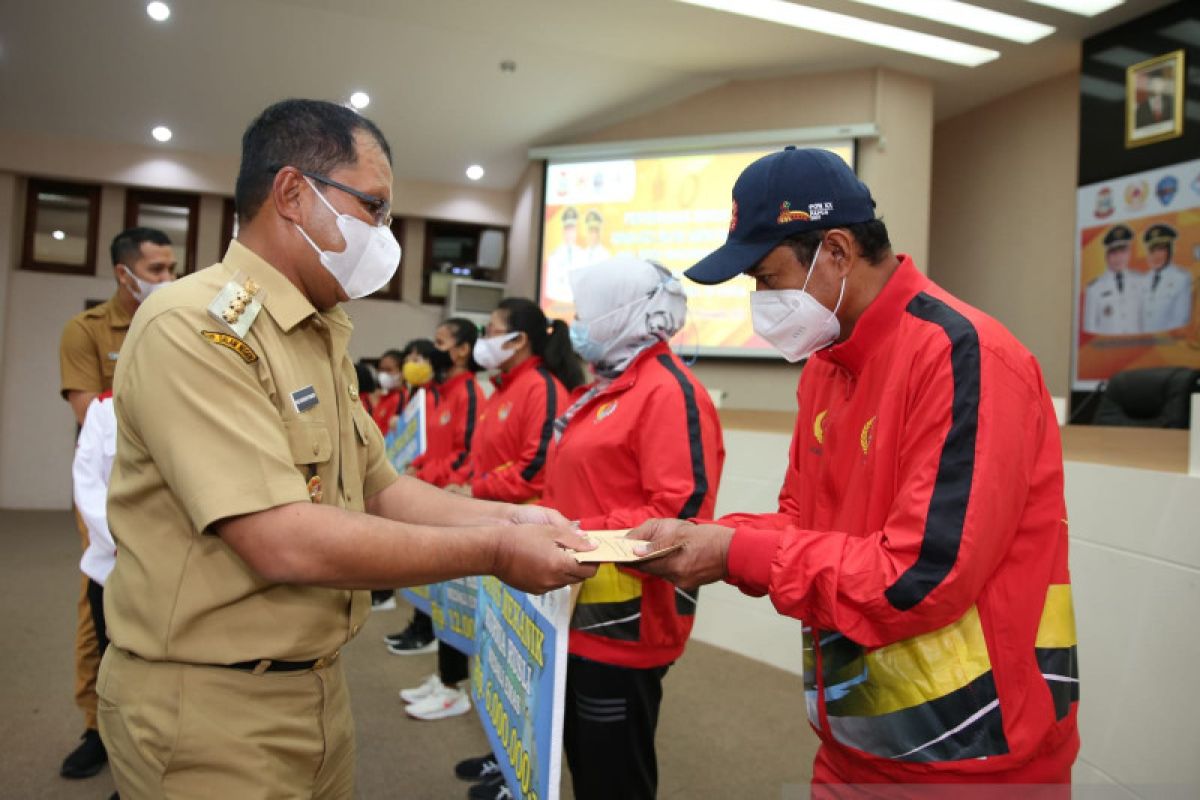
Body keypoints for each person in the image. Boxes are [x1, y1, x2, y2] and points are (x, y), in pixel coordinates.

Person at [96, 98, 596, 798]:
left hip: (316, 688)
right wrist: (495, 554)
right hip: (207, 706)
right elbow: (282, 540)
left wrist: (508, 520)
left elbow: (383, 488)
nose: (384, 237)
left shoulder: (316, 330)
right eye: (375, 209)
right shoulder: (197, 327)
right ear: (294, 194)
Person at [629, 147, 1079, 792]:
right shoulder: (828, 364)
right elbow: (799, 521)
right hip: (856, 738)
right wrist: (701, 537)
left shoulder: (961, 355)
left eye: (766, 277)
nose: (760, 301)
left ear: (836, 250)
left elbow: (920, 577)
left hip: (971, 753)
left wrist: (732, 554)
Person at [550, 255, 725, 800]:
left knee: (612, 777)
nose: (579, 321)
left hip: (624, 620)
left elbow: (679, 518)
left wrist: (568, 532)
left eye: (588, 311)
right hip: (574, 603)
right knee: (584, 760)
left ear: (624, 313)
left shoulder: (668, 390)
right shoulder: (610, 386)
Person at [446, 298, 585, 794]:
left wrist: (476, 491)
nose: (484, 337)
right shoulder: (502, 388)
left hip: (527, 536)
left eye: (491, 328)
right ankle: (502, 758)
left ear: (518, 338)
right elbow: (484, 458)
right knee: (500, 653)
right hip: (497, 530)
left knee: (527, 658)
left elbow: (534, 466)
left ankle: (520, 777)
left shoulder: (543, 387)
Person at [57, 226, 175, 781]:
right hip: (106, 484)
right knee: (100, 601)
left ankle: (152, 729)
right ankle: (95, 725)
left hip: (171, 483)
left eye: (172, 268)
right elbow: (89, 412)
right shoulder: (87, 330)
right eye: (156, 270)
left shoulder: (178, 317)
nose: (167, 279)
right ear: (123, 272)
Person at [397, 320, 487, 713]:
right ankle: (445, 676)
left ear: (462, 349)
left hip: (450, 500)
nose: (430, 352)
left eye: (439, 343)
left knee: (454, 591)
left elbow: (466, 453)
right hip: (433, 495)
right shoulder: (442, 392)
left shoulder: (469, 392)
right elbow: (435, 448)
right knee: (441, 593)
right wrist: (418, 467)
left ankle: (454, 685)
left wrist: (429, 476)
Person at [1083, 224, 1144, 335]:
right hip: (1108, 348)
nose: (1119, 258)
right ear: (1106, 256)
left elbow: (1145, 320)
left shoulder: (1140, 281)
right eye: (1114, 253)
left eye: (1123, 252)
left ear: (1129, 253)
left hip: (1138, 346)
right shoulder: (1094, 288)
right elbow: (1090, 328)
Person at [1139, 223, 1193, 333]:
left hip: (1167, 344)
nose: (1155, 256)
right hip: (1142, 343)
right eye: (1152, 251)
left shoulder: (1181, 278)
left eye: (1160, 250)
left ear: (1170, 251)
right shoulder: (1143, 280)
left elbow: (1181, 320)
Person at [370, 349, 406, 433]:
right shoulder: (384, 397)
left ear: (401, 372)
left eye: (389, 370)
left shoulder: (402, 398)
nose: (383, 374)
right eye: (381, 370)